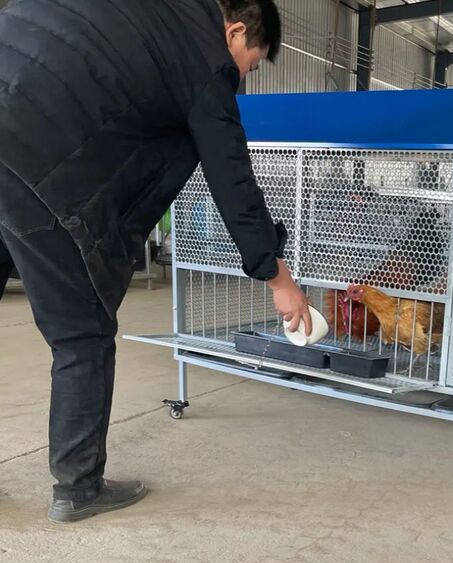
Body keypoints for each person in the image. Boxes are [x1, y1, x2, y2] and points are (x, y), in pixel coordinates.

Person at [0, 0, 311, 523]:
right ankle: (78, 487)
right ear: (235, 31)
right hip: (35, 157)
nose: (241, 77)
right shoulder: (204, 56)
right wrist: (277, 277)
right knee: (82, 335)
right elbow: (232, 180)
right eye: (251, 64)